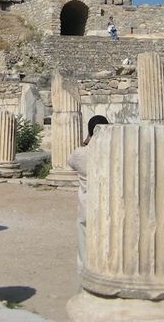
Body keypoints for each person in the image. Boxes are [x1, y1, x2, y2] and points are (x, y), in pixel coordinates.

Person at [67, 115, 109, 285]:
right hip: (107, 206)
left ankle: (85, 279)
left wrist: (87, 141)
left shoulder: (80, 154)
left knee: (84, 246)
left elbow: (70, 162)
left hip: (86, 206)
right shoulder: (112, 153)